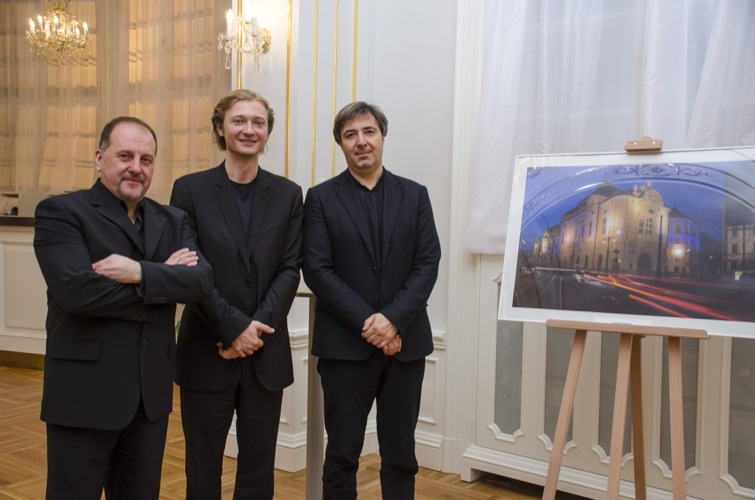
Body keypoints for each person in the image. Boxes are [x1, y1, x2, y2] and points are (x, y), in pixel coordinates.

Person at [33, 116, 214, 500]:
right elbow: (78, 293)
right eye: (125, 156)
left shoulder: (173, 219)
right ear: (100, 159)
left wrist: (137, 272)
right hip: (84, 396)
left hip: (149, 400)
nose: (136, 167)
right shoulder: (61, 212)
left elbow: (200, 282)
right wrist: (164, 278)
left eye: (146, 159)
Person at [302, 101, 441, 499]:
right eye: (350, 135)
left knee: (400, 456)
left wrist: (393, 321)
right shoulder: (320, 198)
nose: (361, 141)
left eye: (369, 132)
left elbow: (427, 263)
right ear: (340, 144)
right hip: (344, 349)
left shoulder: (415, 195)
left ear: (382, 137)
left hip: (405, 346)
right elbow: (317, 270)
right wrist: (372, 324)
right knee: (341, 456)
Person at [170, 89, 303, 499]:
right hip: (205, 350)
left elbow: (290, 268)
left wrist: (254, 331)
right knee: (202, 472)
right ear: (219, 129)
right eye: (239, 121)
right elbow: (191, 268)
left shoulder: (288, 194)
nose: (249, 129)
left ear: (267, 132)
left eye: (258, 122)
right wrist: (233, 329)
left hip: (265, 353)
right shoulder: (189, 189)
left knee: (258, 473)